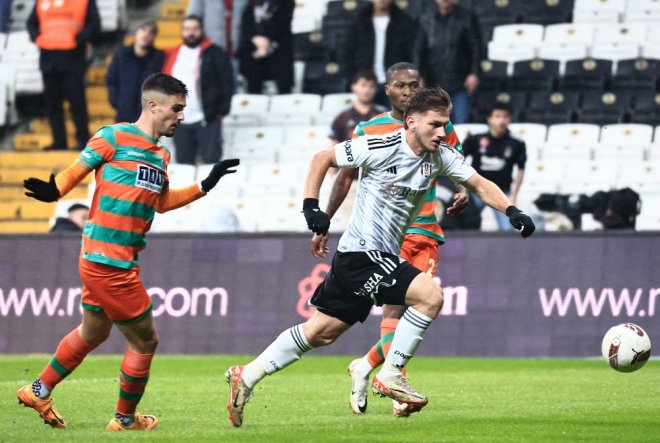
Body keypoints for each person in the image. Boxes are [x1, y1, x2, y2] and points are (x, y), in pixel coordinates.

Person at [224, 87, 535, 428]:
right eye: (434, 124)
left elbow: (479, 183)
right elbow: (321, 158)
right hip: (363, 253)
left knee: (321, 333)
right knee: (430, 296)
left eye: (445, 124)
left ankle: (246, 375)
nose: (441, 132)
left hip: (361, 257)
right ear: (411, 122)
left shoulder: (441, 156)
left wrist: (512, 210)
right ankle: (390, 374)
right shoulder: (380, 146)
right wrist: (311, 207)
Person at [18, 73, 240, 431]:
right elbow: (74, 173)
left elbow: (161, 202)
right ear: (153, 105)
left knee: (93, 333)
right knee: (145, 340)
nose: (181, 116)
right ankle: (124, 419)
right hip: (109, 263)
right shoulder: (113, 137)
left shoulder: (161, 155)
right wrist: (54, 191)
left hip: (108, 259)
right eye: (176, 108)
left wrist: (205, 184)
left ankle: (37, 391)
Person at [315, 62, 469, 417]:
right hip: (386, 234)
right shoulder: (369, 129)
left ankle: (366, 366)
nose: (408, 91)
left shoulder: (440, 126)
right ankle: (395, 384)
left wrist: (462, 190)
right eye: (401, 85)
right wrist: (326, 219)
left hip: (425, 230)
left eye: (414, 84)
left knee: (420, 309)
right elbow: (344, 177)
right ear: (388, 89)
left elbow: (458, 166)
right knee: (396, 310)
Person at [27, 0, 100, 150]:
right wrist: (37, 38)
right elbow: (31, 23)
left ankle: (83, 139)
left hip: (72, 58)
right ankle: (59, 141)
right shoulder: (42, 1)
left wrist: (79, 39)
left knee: (77, 102)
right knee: (53, 104)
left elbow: (94, 24)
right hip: (49, 59)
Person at [163, 15, 234, 165]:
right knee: (184, 165)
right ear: (182, 31)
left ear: (202, 30)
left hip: (206, 118)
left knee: (211, 164)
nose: (191, 33)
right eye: (187, 29)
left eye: (195, 29)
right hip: (179, 121)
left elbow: (227, 82)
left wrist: (222, 109)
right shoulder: (173, 53)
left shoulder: (214, 52)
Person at [413, 0, 481, 123]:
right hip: (433, 83)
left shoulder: (467, 17)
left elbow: (476, 48)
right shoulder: (426, 19)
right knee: (434, 123)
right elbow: (418, 51)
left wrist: (474, 73)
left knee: (461, 122)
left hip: (460, 82)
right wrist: (418, 76)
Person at [462, 103, 527, 231]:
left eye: (505, 117)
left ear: (510, 119)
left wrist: (514, 195)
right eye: (497, 116)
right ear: (489, 119)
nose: (501, 121)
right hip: (476, 191)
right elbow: (458, 160)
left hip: (502, 193)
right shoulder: (475, 139)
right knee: (466, 225)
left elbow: (521, 169)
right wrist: (462, 190)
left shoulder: (516, 143)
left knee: (507, 229)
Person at [343, 0, 417, 108]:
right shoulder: (359, 21)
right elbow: (348, 53)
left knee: (393, 118)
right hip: (366, 84)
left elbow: (411, 55)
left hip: (394, 84)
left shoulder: (405, 22)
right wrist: (354, 80)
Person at [106, 21, 164, 123]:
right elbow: (111, 79)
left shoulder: (158, 57)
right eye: (143, 30)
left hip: (147, 115)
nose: (146, 34)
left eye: (151, 32)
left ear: (154, 37)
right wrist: (116, 101)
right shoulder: (121, 54)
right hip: (123, 112)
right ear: (136, 32)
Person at [236, 0, 294, 94]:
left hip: (278, 54)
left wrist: (264, 44)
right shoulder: (250, 3)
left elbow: (281, 24)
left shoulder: (286, 2)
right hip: (255, 54)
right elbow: (246, 24)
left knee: (283, 90)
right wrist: (254, 38)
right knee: (254, 90)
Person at [329, 70, 386, 144]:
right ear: (353, 87)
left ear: (376, 89)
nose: (367, 90)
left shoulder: (383, 115)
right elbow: (333, 142)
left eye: (371, 86)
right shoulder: (342, 117)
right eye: (363, 85)